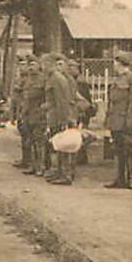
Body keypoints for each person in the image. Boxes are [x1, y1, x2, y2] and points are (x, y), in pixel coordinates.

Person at [104, 50, 132, 190]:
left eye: (115, 63)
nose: (114, 65)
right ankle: (119, 179)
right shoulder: (117, 79)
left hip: (126, 122)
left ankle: (130, 180)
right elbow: (111, 102)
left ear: (121, 64)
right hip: (116, 121)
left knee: (129, 150)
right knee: (117, 150)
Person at [43, 54, 80, 185]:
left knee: (63, 146)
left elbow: (62, 101)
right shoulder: (53, 78)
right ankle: (59, 172)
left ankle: (65, 175)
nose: (44, 66)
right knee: (57, 146)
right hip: (54, 116)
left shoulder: (57, 79)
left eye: (45, 64)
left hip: (59, 117)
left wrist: (65, 120)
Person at [16, 53, 48, 176]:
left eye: (33, 64)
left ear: (39, 66)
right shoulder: (27, 80)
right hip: (28, 114)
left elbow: (47, 97)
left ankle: (41, 166)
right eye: (29, 65)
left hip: (39, 115)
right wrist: (22, 113)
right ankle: (33, 165)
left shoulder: (43, 80)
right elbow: (25, 98)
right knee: (31, 141)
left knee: (39, 142)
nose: (30, 67)